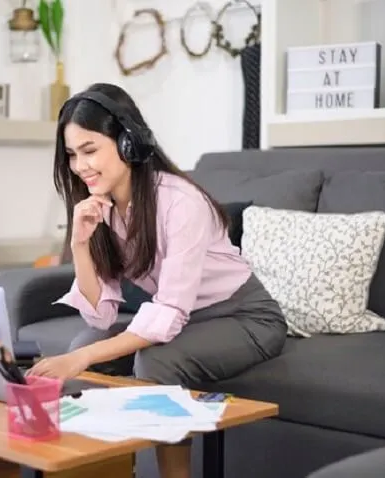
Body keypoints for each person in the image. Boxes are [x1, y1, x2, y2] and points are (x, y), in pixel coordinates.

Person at [27, 83, 287, 478]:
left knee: (154, 359)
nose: (80, 167)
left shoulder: (180, 202)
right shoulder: (102, 207)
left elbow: (166, 316)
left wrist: (79, 359)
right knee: (84, 346)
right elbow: (99, 317)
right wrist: (80, 243)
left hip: (246, 317)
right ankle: (111, 470)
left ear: (129, 142)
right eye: (72, 155)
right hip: (189, 318)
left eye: (90, 150)